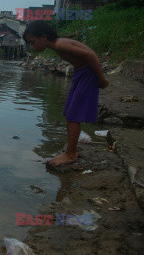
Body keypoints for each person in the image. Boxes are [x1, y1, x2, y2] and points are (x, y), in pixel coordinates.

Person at [23, 20, 109, 165]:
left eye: (33, 42)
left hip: (87, 73)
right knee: (69, 113)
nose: (32, 46)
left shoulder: (59, 44)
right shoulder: (57, 46)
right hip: (80, 72)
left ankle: (70, 153)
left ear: (43, 37)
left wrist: (101, 78)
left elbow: (91, 56)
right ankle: (69, 150)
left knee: (73, 115)